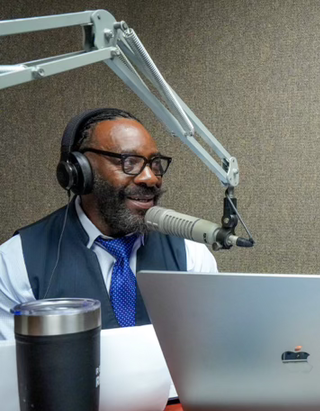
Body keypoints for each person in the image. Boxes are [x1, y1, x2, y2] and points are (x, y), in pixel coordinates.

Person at [0, 108, 218, 340]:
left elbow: (210, 350)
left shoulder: (189, 253)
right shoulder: (16, 261)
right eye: (129, 162)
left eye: (154, 164)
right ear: (80, 171)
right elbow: (11, 370)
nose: (151, 178)